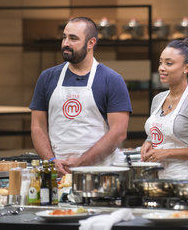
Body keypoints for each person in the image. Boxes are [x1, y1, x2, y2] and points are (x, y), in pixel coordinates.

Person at [30, 17, 132, 175]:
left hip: (100, 175)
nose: (66, 43)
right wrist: (51, 161)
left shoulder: (111, 80)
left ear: (91, 43)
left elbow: (118, 132)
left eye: (73, 38)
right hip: (58, 173)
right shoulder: (47, 77)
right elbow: (38, 127)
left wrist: (81, 163)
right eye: (64, 37)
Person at [140, 38, 188, 180]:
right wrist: (148, 142)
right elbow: (157, 133)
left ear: (186, 67)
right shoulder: (158, 99)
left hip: (185, 179)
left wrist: (167, 153)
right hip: (157, 177)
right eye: (160, 62)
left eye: (169, 63)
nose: (161, 67)